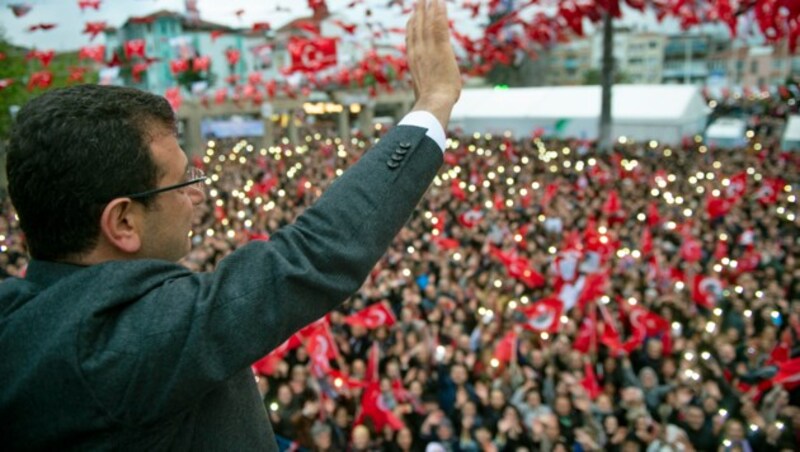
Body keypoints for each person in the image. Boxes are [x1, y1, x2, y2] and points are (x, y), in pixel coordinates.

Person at [0, 0, 462, 449]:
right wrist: (434, 103)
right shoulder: (121, 346)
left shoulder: (16, 324)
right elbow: (310, 256)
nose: (198, 194)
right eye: (181, 183)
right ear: (122, 221)